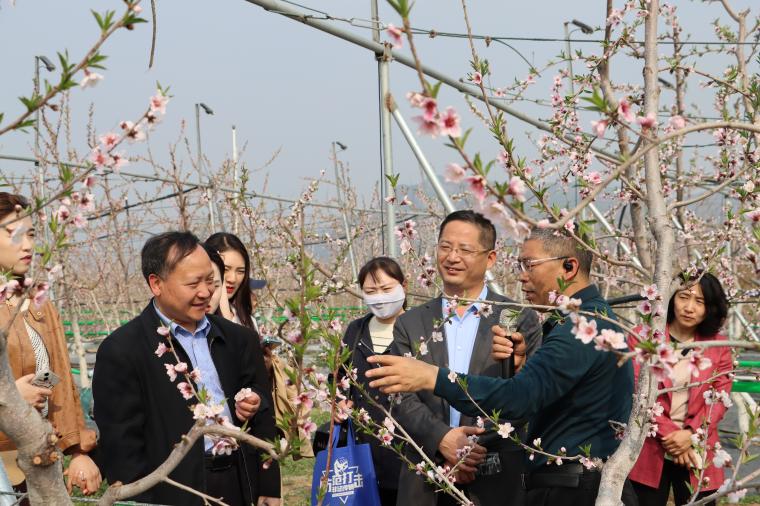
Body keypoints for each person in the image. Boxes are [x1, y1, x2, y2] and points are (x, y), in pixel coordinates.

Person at [366, 227, 635, 506]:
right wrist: (524, 368)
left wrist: (432, 377)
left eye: (530, 264)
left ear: (569, 267)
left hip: (575, 491)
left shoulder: (581, 329)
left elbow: (519, 397)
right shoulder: (580, 322)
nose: (522, 276)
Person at [92, 231, 281, 505]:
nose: (205, 292)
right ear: (156, 284)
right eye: (193, 283)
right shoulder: (123, 350)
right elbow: (122, 445)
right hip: (173, 490)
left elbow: (264, 415)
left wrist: (269, 484)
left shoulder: (239, 339)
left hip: (239, 480)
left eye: (210, 280)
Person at [390, 211, 542, 506]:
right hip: (426, 473)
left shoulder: (516, 318)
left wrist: (469, 449)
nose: (452, 257)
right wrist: (442, 439)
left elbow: (529, 396)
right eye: (445, 247)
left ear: (490, 258)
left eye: (465, 250)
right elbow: (399, 396)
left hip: (495, 477)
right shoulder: (411, 323)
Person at [0, 192, 101, 497]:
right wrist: (11, 397)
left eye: (31, 234)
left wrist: (76, 449)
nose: (28, 245)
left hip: (40, 458)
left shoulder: (39, 304)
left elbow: (55, 374)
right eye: (14, 234)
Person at [628, 271, 732, 506]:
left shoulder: (719, 346)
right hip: (650, 446)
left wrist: (690, 435)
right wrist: (674, 438)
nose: (689, 307)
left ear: (710, 308)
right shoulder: (643, 337)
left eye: (699, 301)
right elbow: (638, 392)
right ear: (671, 298)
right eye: (684, 297)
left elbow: (719, 398)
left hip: (697, 447)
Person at [333, 257, 409, 505]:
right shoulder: (356, 330)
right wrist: (339, 402)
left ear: (404, 286)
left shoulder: (419, 330)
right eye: (371, 291)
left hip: (409, 452)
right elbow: (339, 378)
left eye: (386, 289)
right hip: (364, 452)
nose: (380, 297)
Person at [205, 232, 256, 330]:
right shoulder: (197, 317)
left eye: (240, 271)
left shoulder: (248, 321)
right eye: (225, 269)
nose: (232, 279)